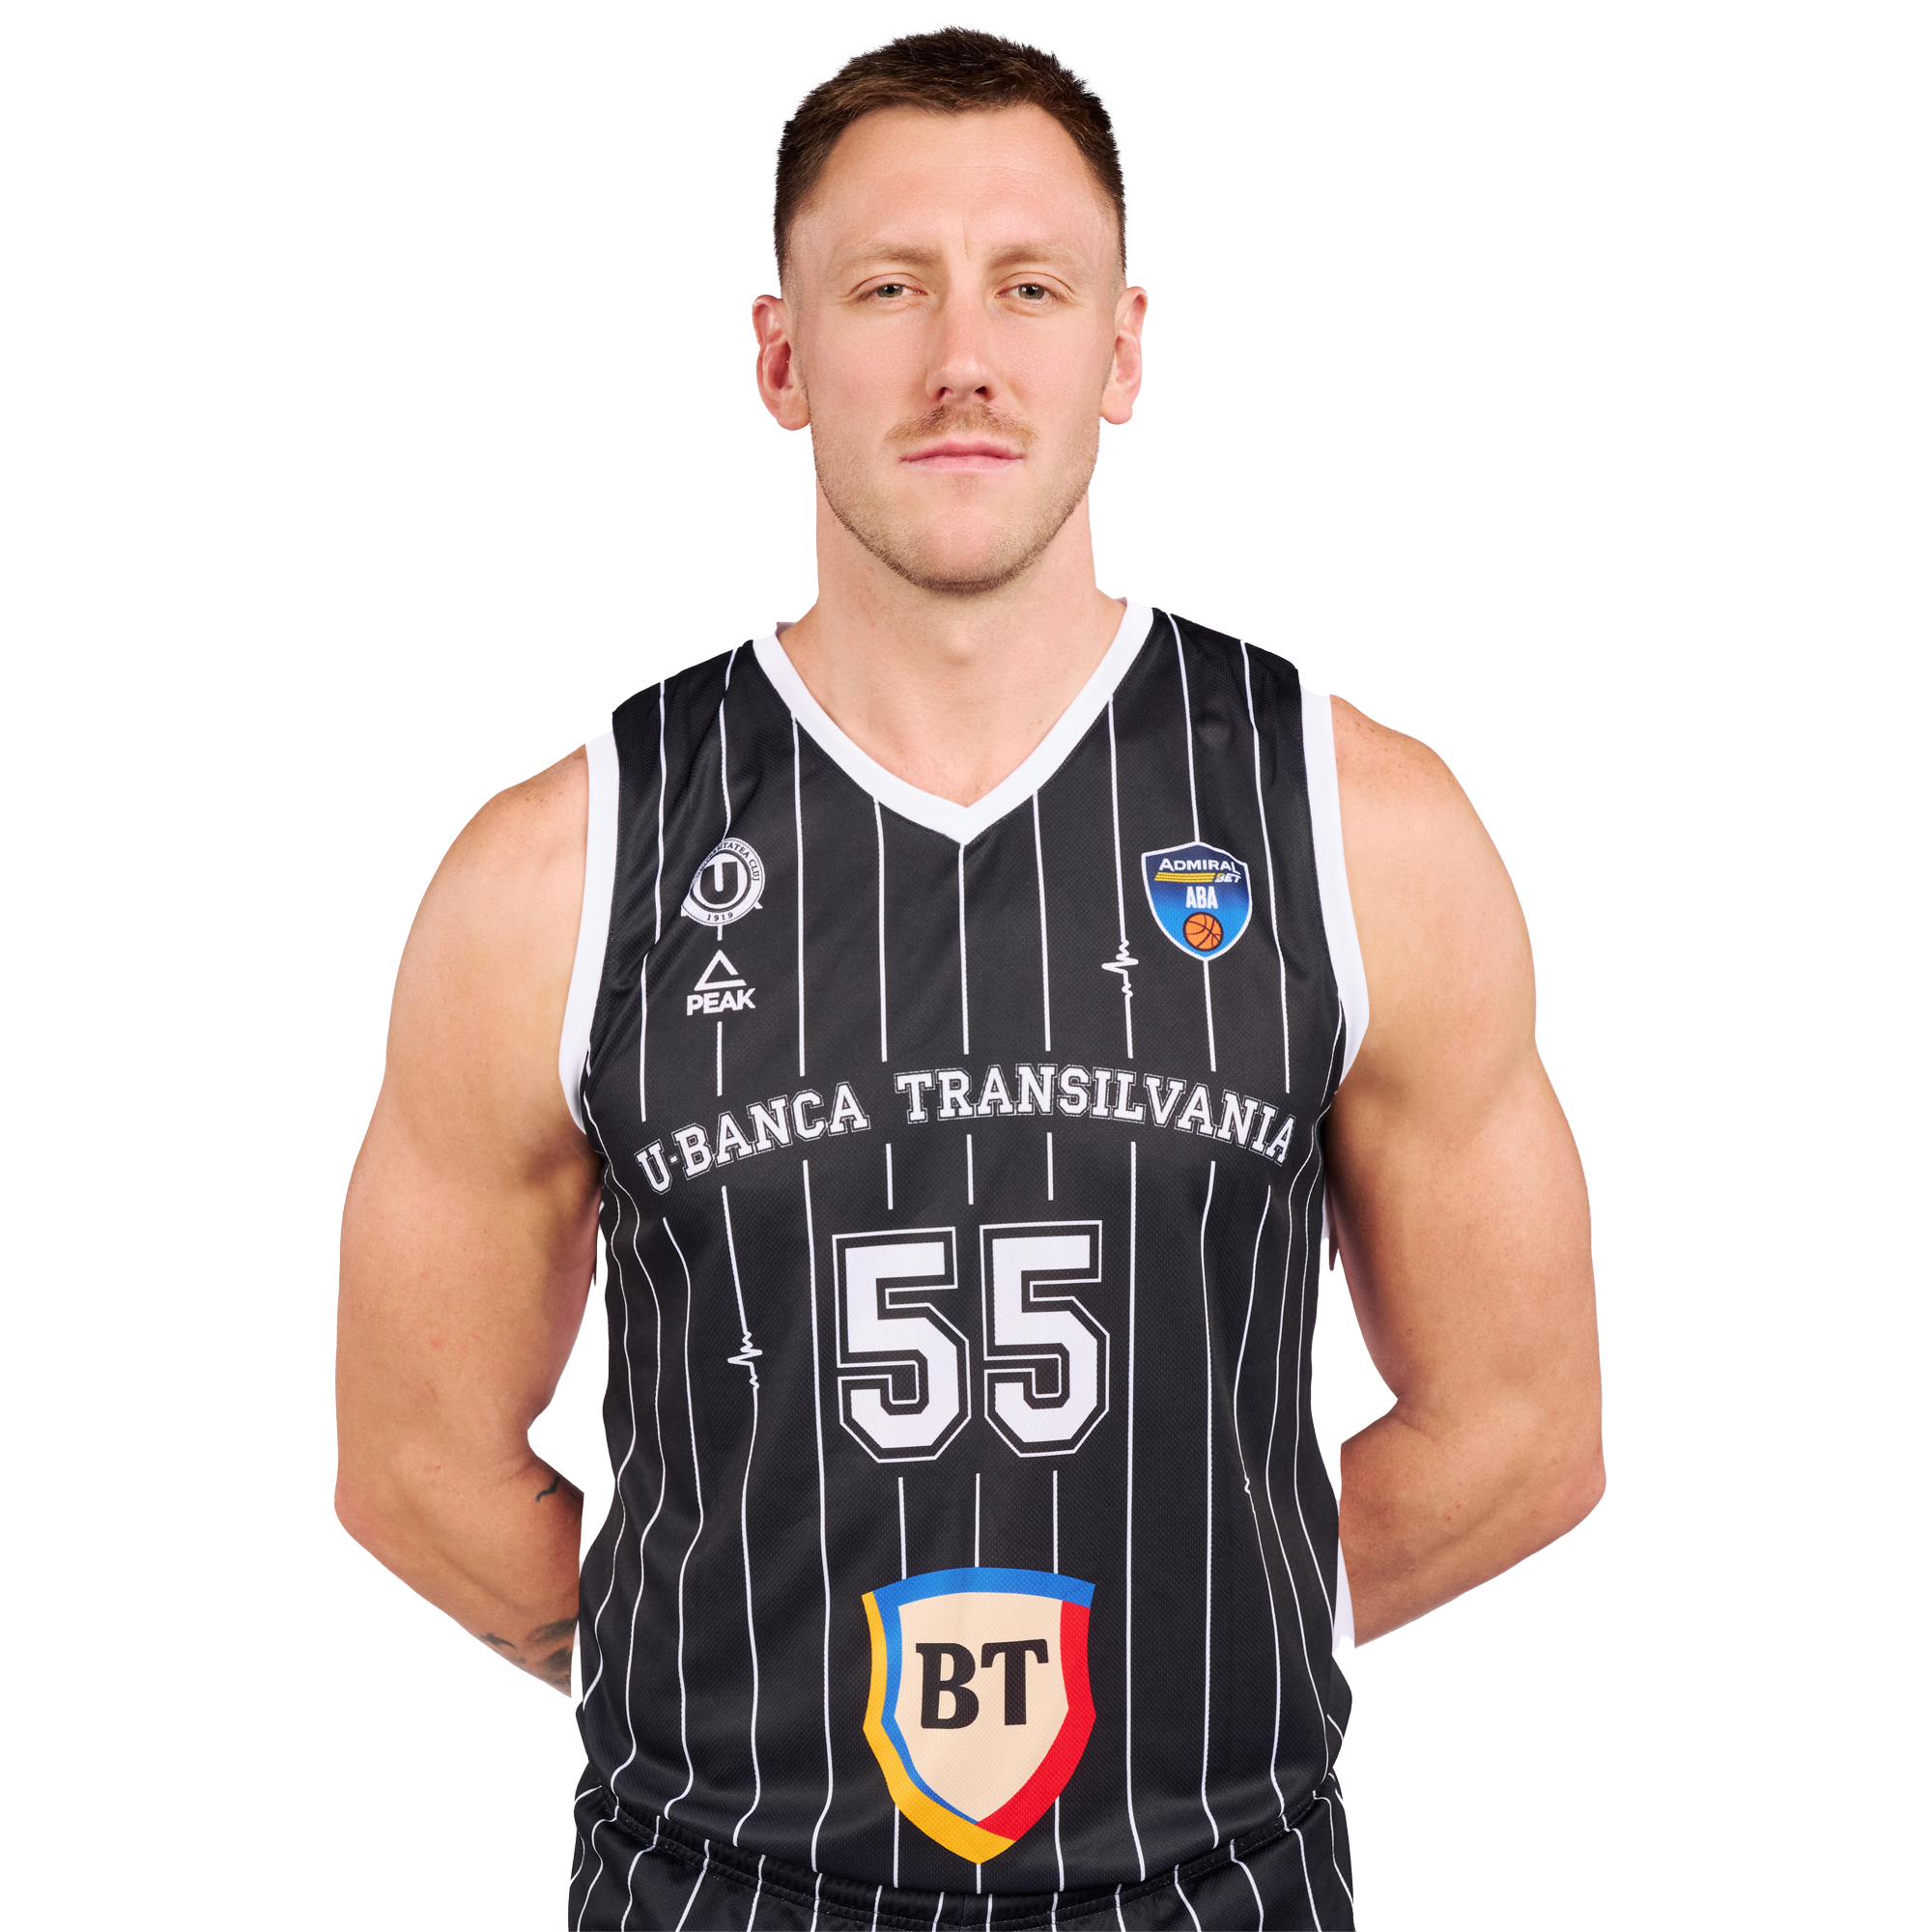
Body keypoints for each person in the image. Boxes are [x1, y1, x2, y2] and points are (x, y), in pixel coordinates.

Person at [337, 27, 1601, 1931]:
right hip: (717, 1889)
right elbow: (411, 1460)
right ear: (781, 355)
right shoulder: (563, 868)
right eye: (886, 288)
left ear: (1122, 347)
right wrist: (723, 1689)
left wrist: (1206, 1656)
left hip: (1213, 1889)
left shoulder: (1354, 827)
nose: (962, 360)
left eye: (1029, 286)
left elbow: (1522, 1424)